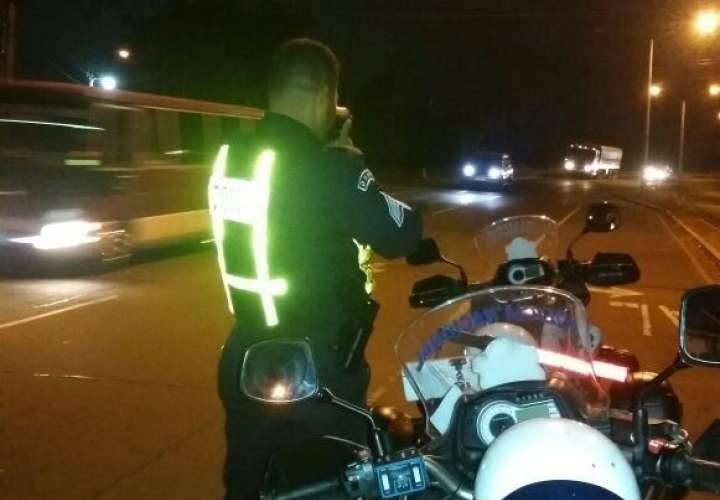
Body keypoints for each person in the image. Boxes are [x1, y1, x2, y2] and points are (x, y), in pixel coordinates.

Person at [213, 38, 423, 499]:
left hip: (245, 352)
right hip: (316, 367)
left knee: (247, 483)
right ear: (323, 95)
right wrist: (354, 163)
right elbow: (401, 233)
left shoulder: (232, 157)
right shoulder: (330, 169)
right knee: (335, 483)